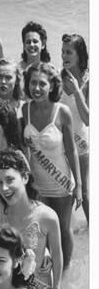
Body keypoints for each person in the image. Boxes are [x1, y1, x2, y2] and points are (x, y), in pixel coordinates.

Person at [0, 148, 63, 289]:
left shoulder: (47, 216)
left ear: (24, 177)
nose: (4, 188)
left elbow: (57, 255)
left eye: (9, 180)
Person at [23, 62, 82, 270]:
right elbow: (25, 149)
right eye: (32, 83)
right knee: (40, 232)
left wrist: (80, 187)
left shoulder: (62, 112)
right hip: (36, 184)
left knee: (63, 230)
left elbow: (72, 150)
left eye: (42, 84)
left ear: (52, 86)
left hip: (61, 182)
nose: (36, 88)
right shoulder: (25, 109)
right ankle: (45, 273)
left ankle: (65, 272)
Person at [61, 33, 89, 223]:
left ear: (79, 54)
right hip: (61, 145)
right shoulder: (59, 78)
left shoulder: (89, 82)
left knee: (84, 192)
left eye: (69, 52)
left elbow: (88, 119)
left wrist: (77, 91)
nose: (64, 56)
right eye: (62, 52)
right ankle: (64, 232)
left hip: (81, 143)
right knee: (65, 191)